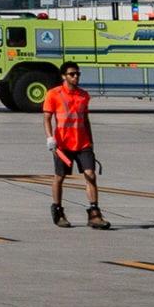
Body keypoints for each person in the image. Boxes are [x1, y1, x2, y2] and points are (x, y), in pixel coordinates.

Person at [43, 63, 109, 229]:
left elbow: (86, 120)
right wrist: (50, 138)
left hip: (82, 143)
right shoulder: (53, 94)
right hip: (63, 145)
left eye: (77, 74)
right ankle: (58, 210)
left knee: (91, 175)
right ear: (64, 76)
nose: (76, 77)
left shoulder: (83, 96)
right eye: (72, 74)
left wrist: (91, 142)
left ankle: (94, 213)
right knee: (60, 177)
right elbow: (46, 119)